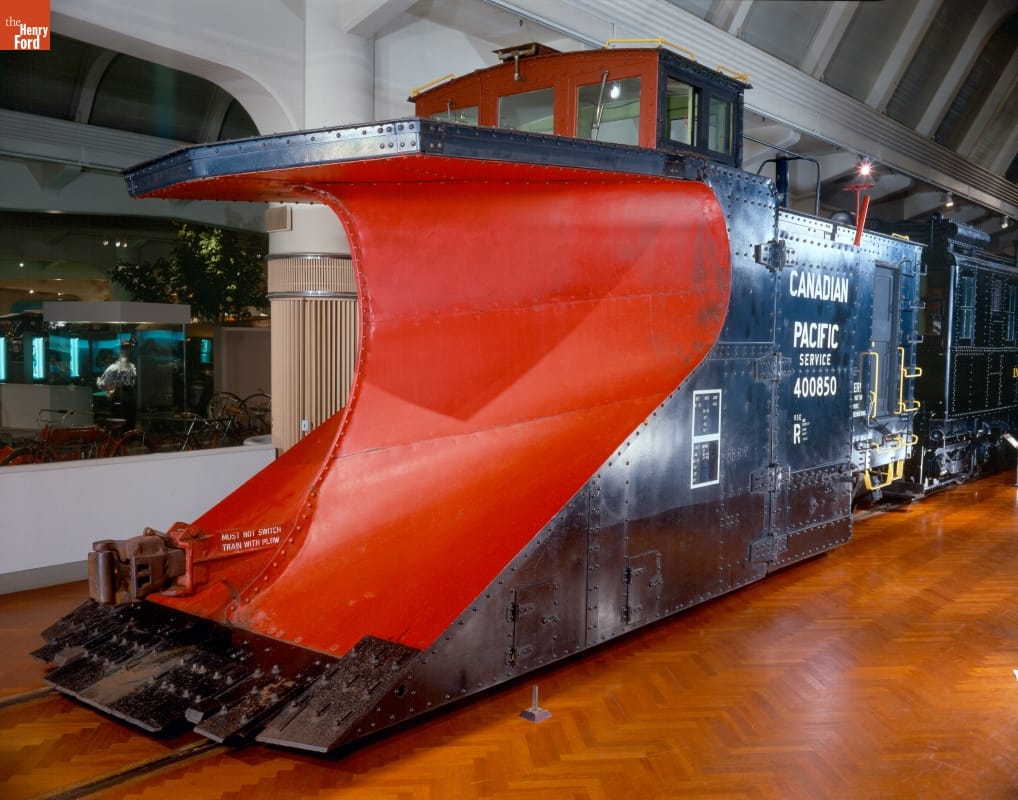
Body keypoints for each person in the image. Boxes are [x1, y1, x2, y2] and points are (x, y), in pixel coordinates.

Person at [97, 342, 137, 429]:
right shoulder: (132, 367)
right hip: (128, 399)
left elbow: (104, 385)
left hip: (121, 399)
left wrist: (99, 382)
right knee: (126, 424)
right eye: (125, 349)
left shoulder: (114, 368)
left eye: (127, 349)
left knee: (120, 424)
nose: (127, 351)